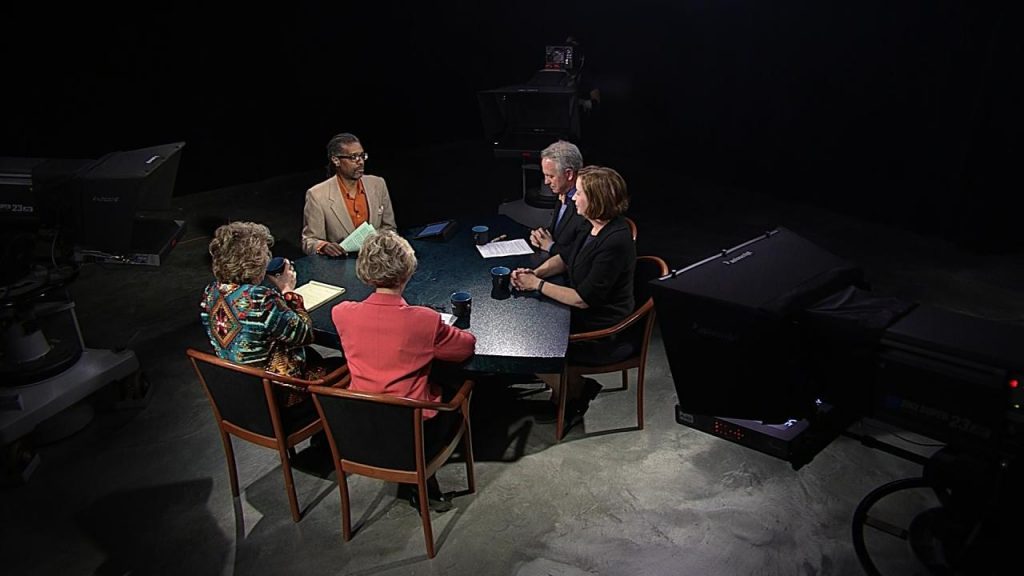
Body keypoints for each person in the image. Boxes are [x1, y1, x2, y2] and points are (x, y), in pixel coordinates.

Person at [331, 230, 476, 511]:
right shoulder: (423, 320)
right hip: (414, 433)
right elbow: (465, 347)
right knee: (457, 382)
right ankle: (423, 479)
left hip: (360, 427)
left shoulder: (342, 312)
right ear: (407, 271)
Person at [511, 165, 635, 416]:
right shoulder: (590, 225)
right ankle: (567, 385)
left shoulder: (615, 241)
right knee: (523, 318)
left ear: (596, 200)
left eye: (578, 193)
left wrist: (538, 285)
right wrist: (536, 273)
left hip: (601, 328)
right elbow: (566, 257)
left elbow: (582, 300)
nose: (573, 197)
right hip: (580, 311)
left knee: (526, 341)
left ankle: (572, 391)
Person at [199, 221, 316, 389]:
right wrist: (288, 291)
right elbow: (304, 335)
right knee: (339, 364)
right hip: (276, 393)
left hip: (239, 391)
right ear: (256, 261)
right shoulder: (260, 299)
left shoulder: (210, 292)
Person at [301, 133, 397, 257]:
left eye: (362, 156)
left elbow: (389, 228)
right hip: (342, 266)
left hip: (377, 262)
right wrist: (324, 246)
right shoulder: (317, 195)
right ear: (336, 160)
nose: (360, 162)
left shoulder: (378, 184)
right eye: (353, 157)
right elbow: (309, 241)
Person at [528, 140, 590, 257]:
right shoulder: (563, 193)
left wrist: (550, 246)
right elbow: (559, 233)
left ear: (569, 174)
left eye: (550, 176)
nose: (546, 182)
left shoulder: (585, 205)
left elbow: (580, 254)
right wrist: (540, 236)